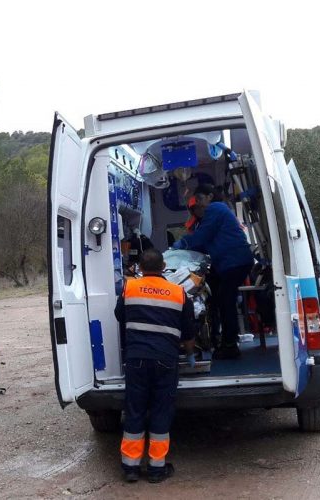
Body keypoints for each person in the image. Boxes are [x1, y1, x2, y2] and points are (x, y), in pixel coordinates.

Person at [114, 248, 196, 483]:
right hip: (166, 360)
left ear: (140, 268)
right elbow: (188, 331)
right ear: (163, 268)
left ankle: (130, 467)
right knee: (161, 410)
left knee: (135, 410)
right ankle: (156, 469)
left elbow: (120, 315)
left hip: (136, 358)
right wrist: (189, 354)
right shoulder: (178, 293)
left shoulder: (129, 288)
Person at [173, 184, 254, 359]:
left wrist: (183, 244)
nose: (200, 204)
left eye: (200, 199)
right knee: (219, 298)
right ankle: (221, 340)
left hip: (234, 261)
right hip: (231, 262)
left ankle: (230, 345)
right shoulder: (215, 213)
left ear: (210, 196)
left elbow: (202, 237)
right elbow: (204, 240)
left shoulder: (216, 208)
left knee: (226, 300)